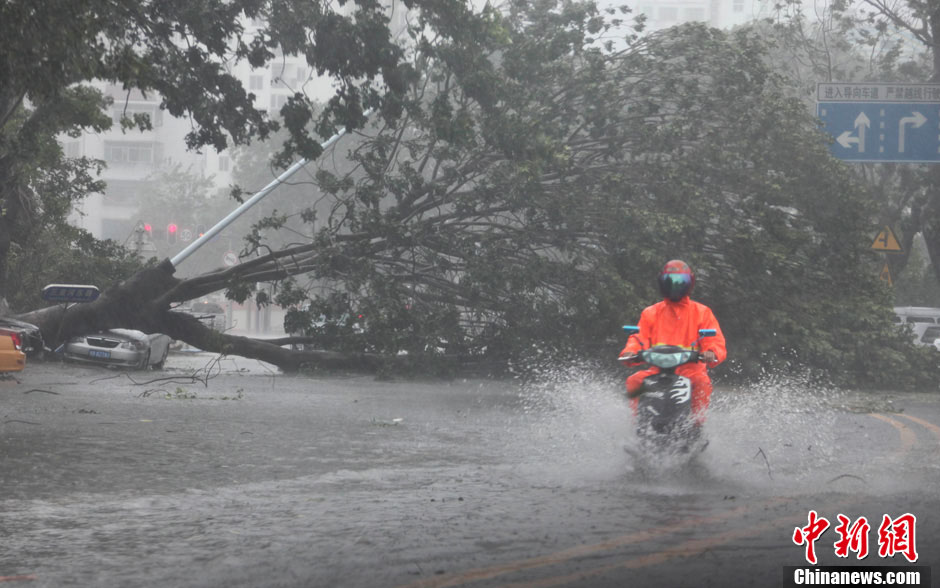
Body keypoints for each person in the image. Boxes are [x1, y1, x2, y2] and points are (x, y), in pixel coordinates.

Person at [618, 259, 727, 427]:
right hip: (656, 371)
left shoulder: (702, 313)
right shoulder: (650, 313)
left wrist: (711, 352)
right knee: (635, 380)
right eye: (670, 282)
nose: (675, 286)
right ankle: (637, 425)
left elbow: (714, 340)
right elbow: (638, 338)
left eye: (681, 282)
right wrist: (630, 353)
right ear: (662, 283)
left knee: (702, 383)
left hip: (691, 372)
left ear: (690, 283)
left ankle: (696, 426)